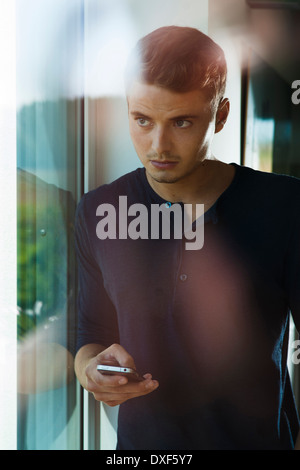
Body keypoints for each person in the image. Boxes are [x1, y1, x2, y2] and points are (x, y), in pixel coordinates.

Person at [74, 26, 300, 450]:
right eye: (142, 120)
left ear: (221, 115)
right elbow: (90, 333)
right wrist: (90, 370)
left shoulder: (287, 207)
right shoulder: (97, 211)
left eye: (181, 121)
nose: (158, 145)